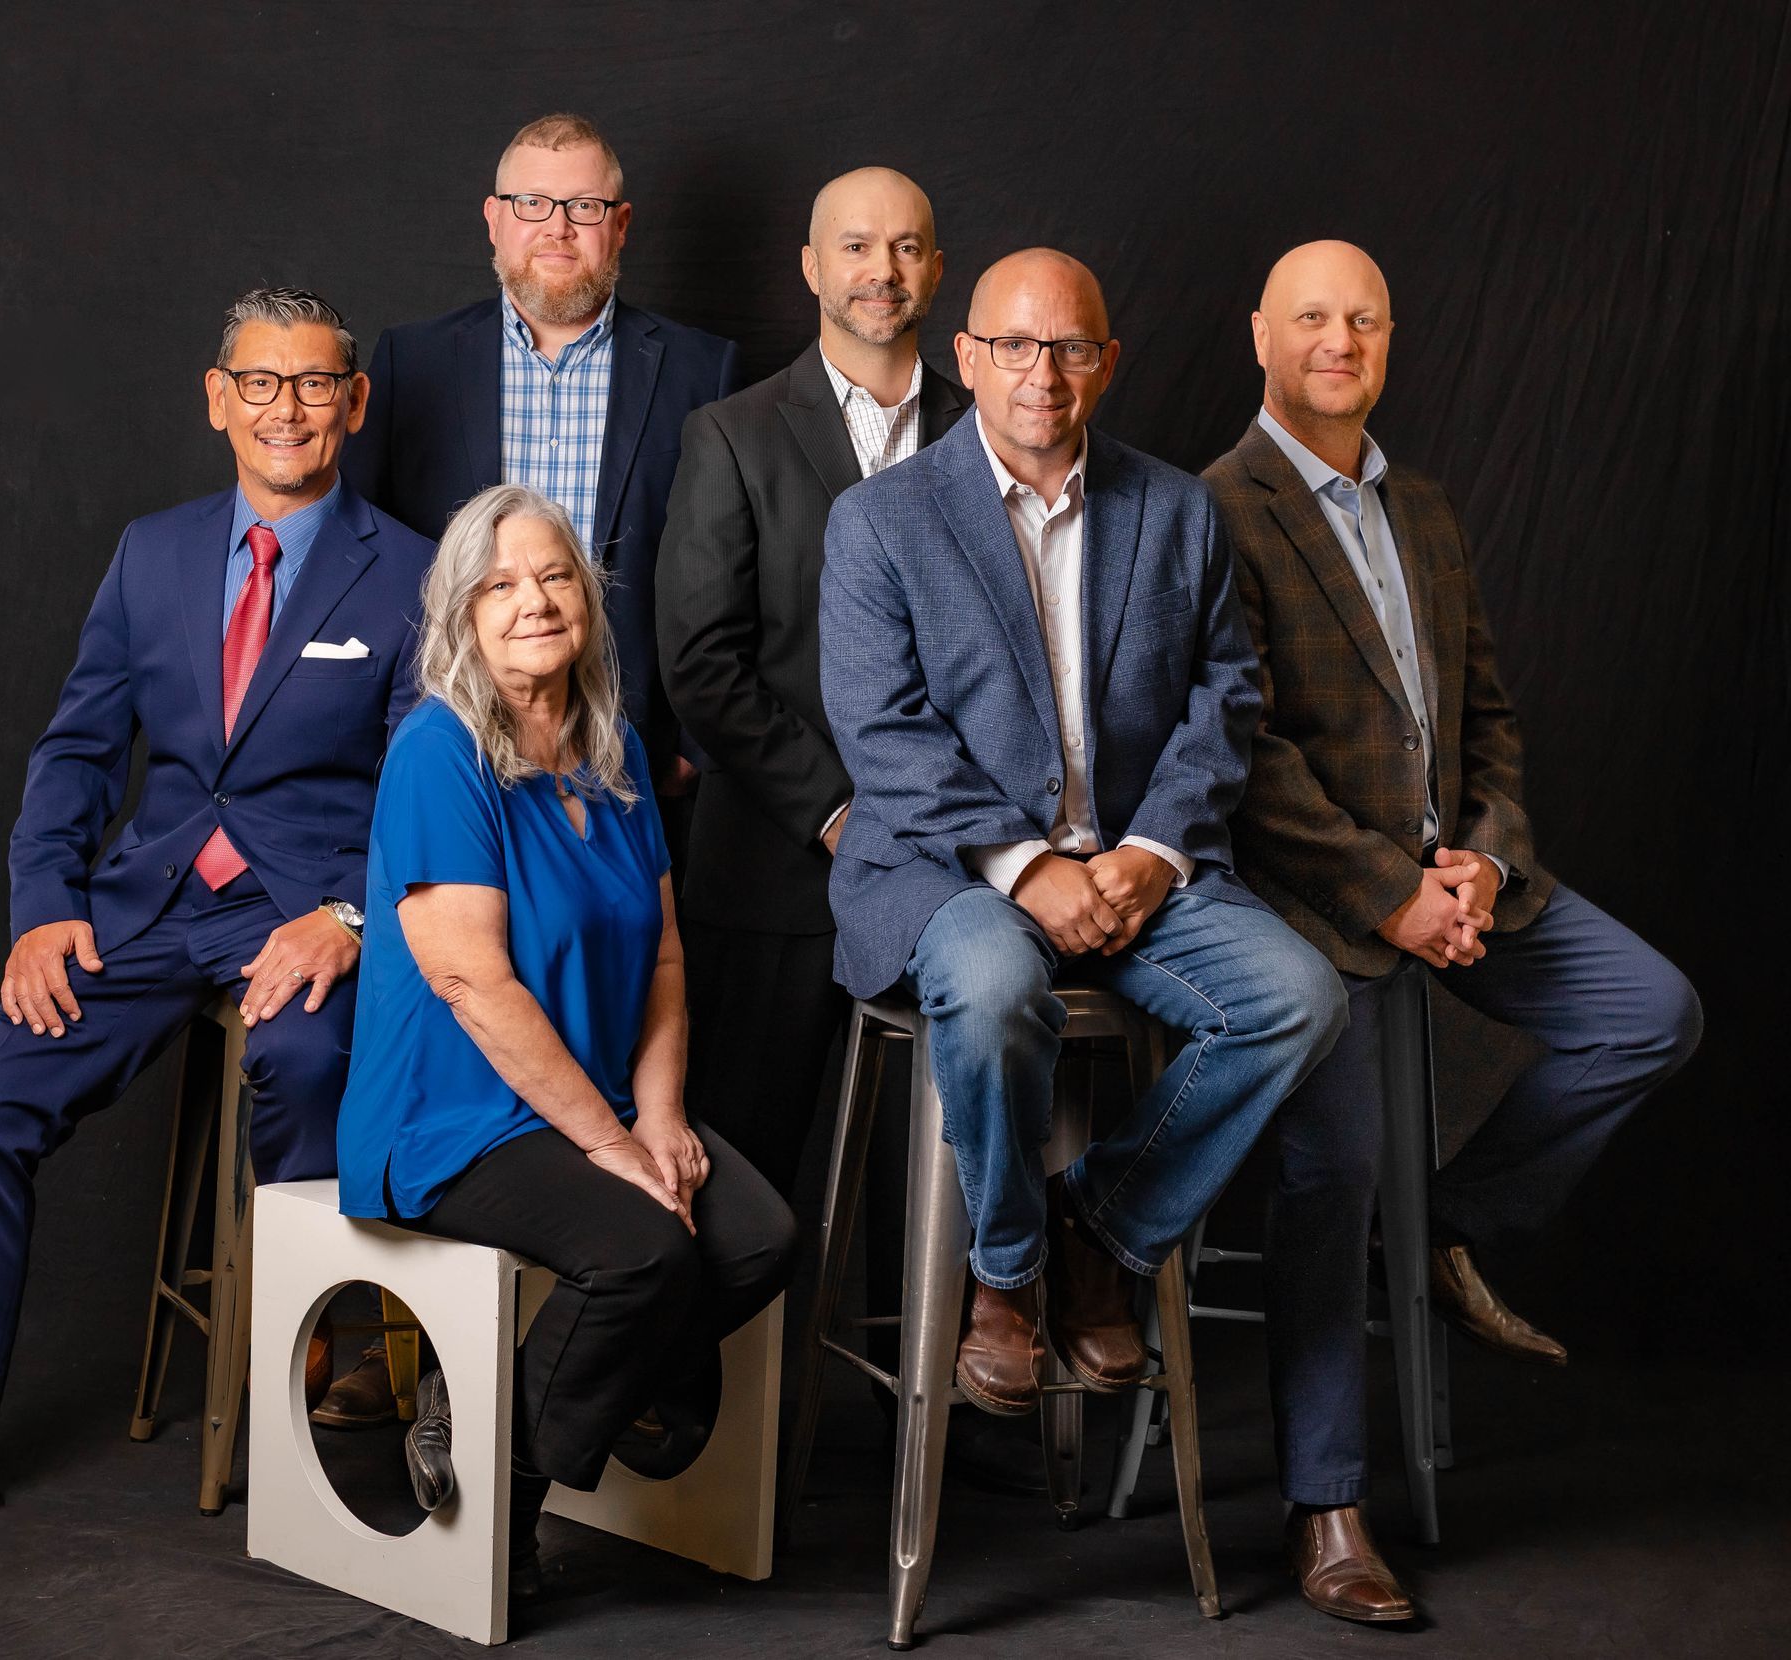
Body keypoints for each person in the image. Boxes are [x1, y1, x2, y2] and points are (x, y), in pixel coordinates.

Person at [0, 288, 433, 1545]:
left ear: (354, 402)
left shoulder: (412, 570)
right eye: (260, 382)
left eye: (313, 383)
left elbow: (421, 791)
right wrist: (41, 908)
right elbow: (74, 753)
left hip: (301, 905)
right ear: (217, 398)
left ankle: (324, 1369)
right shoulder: (152, 551)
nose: (286, 407)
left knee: (301, 1057)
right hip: (148, 900)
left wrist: (348, 917)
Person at [1211, 239, 1703, 1623]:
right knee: (1338, 1164)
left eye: (1363, 317)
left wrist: (1481, 863)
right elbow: (1243, 764)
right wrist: (1393, 894)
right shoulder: (1219, 510)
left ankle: (1445, 1223)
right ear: (1263, 334)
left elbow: (1487, 718)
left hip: (1460, 881)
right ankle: (1328, 1511)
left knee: (1650, 1013)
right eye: (1312, 316)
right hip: (1317, 900)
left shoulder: (1420, 506)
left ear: (1389, 337)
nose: (1339, 340)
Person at [818, 248, 1347, 1424]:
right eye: (1013, 344)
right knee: (999, 980)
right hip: (945, 870)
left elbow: (1226, 699)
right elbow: (882, 733)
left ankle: (1098, 1230)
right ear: (968, 358)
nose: (1040, 373)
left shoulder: (1175, 508)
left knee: (1298, 999)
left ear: (1106, 364)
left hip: (1131, 863)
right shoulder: (880, 522)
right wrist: (1028, 868)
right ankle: (1003, 1276)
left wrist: (1154, 853)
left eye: (1067, 347)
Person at [334, 483, 794, 1596]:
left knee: (757, 1236)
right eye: (499, 585)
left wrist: (664, 1116)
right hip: (449, 1113)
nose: (532, 600)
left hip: (581, 1096)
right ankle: (505, 1499)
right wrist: (613, 1145)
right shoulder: (437, 753)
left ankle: (518, 1403)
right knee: (642, 1246)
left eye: (553, 576)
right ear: (461, 617)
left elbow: (667, 959)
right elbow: (473, 983)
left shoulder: (616, 747)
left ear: (587, 597)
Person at [657, 165, 967, 1197]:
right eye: (856, 245)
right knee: (745, 1179)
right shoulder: (733, 434)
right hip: (776, 875)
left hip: (956, 870)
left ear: (936, 266)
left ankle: (924, 1362)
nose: (883, 270)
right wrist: (837, 811)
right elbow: (702, 662)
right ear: (810, 267)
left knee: (929, 1193)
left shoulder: (990, 434)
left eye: (908, 246)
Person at [341, 111, 743, 792]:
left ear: (619, 225)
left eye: (584, 206)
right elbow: (363, 548)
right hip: (449, 735)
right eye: (533, 203)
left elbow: (735, 568)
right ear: (495, 219)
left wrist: (695, 743)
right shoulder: (414, 363)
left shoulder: (704, 371)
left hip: (632, 748)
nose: (557, 227)